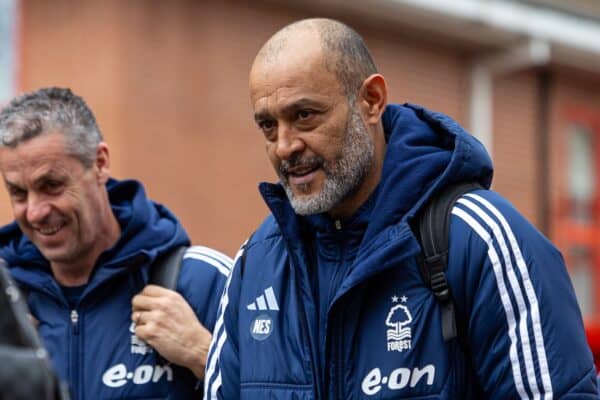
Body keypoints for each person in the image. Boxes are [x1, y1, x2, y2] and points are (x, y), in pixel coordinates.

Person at [204, 18, 597, 399]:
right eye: (268, 126)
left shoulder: (479, 240)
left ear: (371, 101)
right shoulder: (255, 266)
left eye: (304, 116)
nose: (285, 145)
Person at [0, 87, 232, 399]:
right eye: (18, 193)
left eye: (52, 185)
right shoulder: (6, 299)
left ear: (99, 163)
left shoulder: (203, 282)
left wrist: (202, 354)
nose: (36, 211)